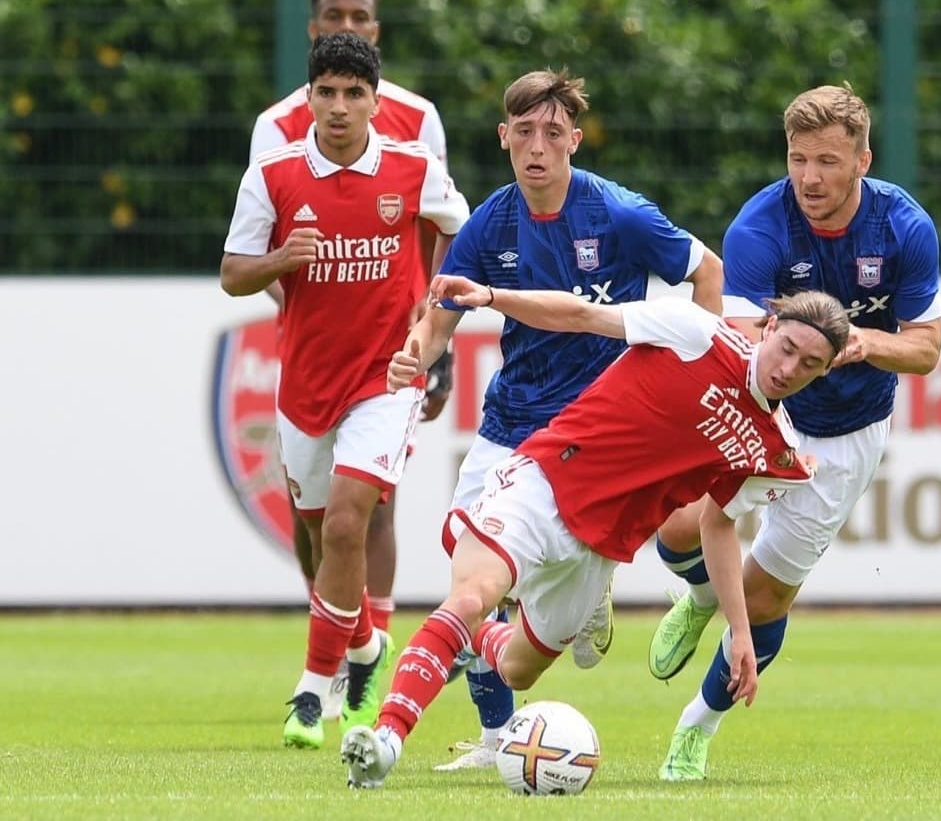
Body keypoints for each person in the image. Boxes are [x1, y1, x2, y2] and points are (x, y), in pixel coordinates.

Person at [339, 276, 852, 789]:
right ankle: (385, 740)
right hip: (544, 483)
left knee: (518, 669)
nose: (789, 370)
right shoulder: (698, 334)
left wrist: (740, 631)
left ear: (826, 371)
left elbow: (717, 525)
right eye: (787, 348)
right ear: (771, 326)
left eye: (810, 365)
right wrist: (494, 298)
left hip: (598, 550)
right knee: (473, 594)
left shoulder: (772, 448)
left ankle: (465, 641)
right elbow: (581, 315)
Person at [374, 67, 724, 771]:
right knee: (470, 587)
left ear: (575, 140)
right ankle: (500, 738)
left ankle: (586, 591)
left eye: (553, 133)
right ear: (504, 137)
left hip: (597, 439)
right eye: (524, 132)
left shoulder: (619, 215)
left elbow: (706, 269)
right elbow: (438, 320)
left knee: (510, 605)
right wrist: (416, 353)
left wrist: (698, 381)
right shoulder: (488, 225)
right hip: (511, 426)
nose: (538, 146)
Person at [648, 83, 941, 781]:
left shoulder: (904, 229)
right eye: (797, 158)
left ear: (863, 160)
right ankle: (696, 598)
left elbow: (927, 349)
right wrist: (793, 351)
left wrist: (865, 344)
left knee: (762, 599)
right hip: (765, 407)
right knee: (677, 528)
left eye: (828, 162)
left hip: (846, 431)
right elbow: (745, 337)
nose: (809, 177)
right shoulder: (759, 226)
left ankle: (699, 725)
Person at [221, 32, 470, 749]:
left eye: (353, 94)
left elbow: (460, 227)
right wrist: (278, 257)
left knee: (345, 523)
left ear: (374, 100)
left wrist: (434, 312)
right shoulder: (271, 174)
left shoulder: (413, 165)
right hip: (306, 383)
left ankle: (310, 690)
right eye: (325, 93)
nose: (338, 107)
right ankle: (363, 645)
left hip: (386, 377)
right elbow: (233, 272)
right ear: (308, 99)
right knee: (315, 531)